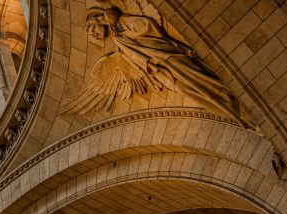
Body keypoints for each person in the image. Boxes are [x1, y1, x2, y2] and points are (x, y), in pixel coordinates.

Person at [86, 7, 246, 126]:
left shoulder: (121, 23)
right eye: (92, 35)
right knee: (187, 89)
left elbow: (147, 25)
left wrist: (121, 28)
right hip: (159, 70)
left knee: (199, 79)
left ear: (99, 19)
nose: (94, 34)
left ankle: (235, 103)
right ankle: (232, 113)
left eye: (93, 29)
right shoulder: (116, 39)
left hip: (166, 57)